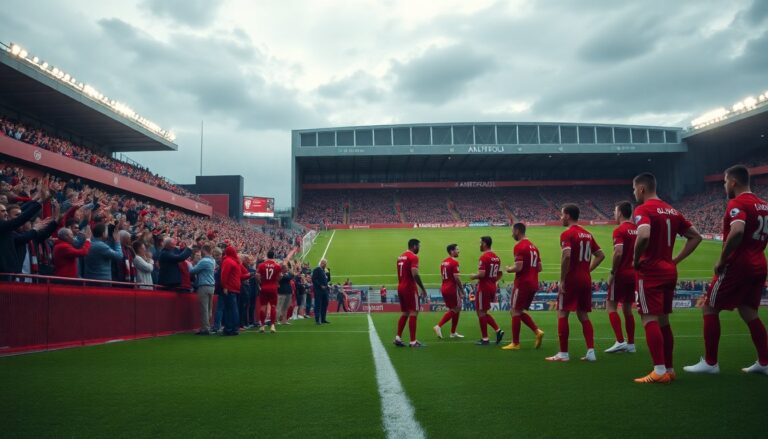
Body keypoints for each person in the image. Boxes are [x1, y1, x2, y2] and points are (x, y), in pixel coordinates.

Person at [685, 165, 768, 376]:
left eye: (724, 182)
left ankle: (711, 363)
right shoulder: (764, 205)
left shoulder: (737, 202)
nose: (724, 186)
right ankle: (765, 362)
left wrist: (722, 259)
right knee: (749, 311)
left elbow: (738, 230)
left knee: (709, 307)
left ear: (733, 182)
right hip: (759, 263)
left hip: (738, 265)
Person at [631, 172, 701, 383]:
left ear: (642, 188)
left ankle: (659, 371)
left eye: (634, 189)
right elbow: (696, 237)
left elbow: (643, 235)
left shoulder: (643, 209)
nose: (634, 193)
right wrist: (675, 259)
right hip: (669, 270)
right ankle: (669, 369)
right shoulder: (672, 210)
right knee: (663, 321)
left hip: (650, 271)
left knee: (648, 318)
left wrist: (635, 259)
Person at [546, 204, 605, 362]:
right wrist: (587, 270)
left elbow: (566, 256)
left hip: (572, 279)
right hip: (585, 279)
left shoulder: (567, 234)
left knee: (562, 312)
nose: (560, 218)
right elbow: (600, 255)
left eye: (561, 215)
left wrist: (562, 280)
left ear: (567, 215)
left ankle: (563, 354)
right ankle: (591, 352)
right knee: (583, 314)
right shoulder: (587, 234)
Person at [503, 223, 545, 350]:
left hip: (522, 283)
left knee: (514, 311)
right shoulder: (534, 247)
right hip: (533, 283)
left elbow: (519, 267)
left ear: (517, 231)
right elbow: (540, 268)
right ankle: (537, 331)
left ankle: (515, 343)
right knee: (519, 310)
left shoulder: (519, 246)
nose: (512, 234)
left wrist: (509, 269)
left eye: (512, 231)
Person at [605, 201, 638, 354]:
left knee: (610, 306)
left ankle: (619, 341)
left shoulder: (619, 230)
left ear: (619, 213)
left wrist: (612, 272)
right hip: (634, 274)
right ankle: (631, 344)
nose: (614, 214)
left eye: (614, 211)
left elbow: (618, 252)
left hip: (621, 274)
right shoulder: (638, 230)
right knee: (627, 308)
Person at [470, 236, 504, 346]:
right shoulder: (496, 257)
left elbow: (482, 274)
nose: (479, 245)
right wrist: (493, 281)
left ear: (484, 243)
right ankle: (498, 331)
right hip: (492, 286)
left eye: (480, 243)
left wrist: (473, 276)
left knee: (480, 312)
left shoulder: (484, 257)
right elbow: (500, 273)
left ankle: (485, 338)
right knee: (483, 312)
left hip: (484, 287)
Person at [394, 238, 428, 348]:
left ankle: (398, 338)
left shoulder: (400, 257)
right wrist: (422, 288)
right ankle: (413, 341)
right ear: (414, 246)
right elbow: (415, 274)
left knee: (405, 313)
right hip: (409, 287)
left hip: (400, 287)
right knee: (414, 312)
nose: (419, 248)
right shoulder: (413, 257)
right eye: (419, 246)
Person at [433, 243, 464, 339]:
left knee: (455, 309)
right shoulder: (454, 262)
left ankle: (453, 332)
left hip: (444, 287)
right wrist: (462, 289)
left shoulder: (443, 262)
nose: (459, 251)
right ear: (452, 251)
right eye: (457, 249)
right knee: (456, 308)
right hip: (452, 288)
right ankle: (438, 326)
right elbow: (456, 278)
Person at [220, 245, 249, 336]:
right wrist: (251, 274)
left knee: (229, 309)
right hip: (236, 288)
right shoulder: (236, 262)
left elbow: (224, 275)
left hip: (230, 288)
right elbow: (241, 276)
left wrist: (224, 286)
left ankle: (229, 329)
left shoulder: (227, 261)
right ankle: (234, 328)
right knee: (234, 309)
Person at [190, 244, 216, 335]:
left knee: (204, 308)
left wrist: (190, 263)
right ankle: (207, 327)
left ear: (204, 251)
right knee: (209, 308)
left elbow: (192, 271)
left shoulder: (203, 261)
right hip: (212, 286)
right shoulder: (213, 260)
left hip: (204, 285)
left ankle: (205, 328)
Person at [256, 250, 281, 333]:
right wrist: (276, 281)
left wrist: (260, 283)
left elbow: (257, 275)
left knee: (263, 306)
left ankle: (262, 326)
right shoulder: (277, 266)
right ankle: (273, 326)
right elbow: (280, 276)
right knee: (273, 306)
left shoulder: (261, 265)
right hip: (273, 288)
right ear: (273, 256)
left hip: (264, 287)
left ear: (267, 255)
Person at [312, 259, 330, 324]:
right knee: (318, 305)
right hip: (318, 290)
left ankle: (323, 319)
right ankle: (317, 320)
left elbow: (328, 279)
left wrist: (328, 272)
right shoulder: (317, 269)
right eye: (325, 264)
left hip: (325, 290)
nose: (326, 265)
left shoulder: (324, 270)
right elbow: (314, 279)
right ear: (322, 263)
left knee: (325, 304)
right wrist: (320, 285)